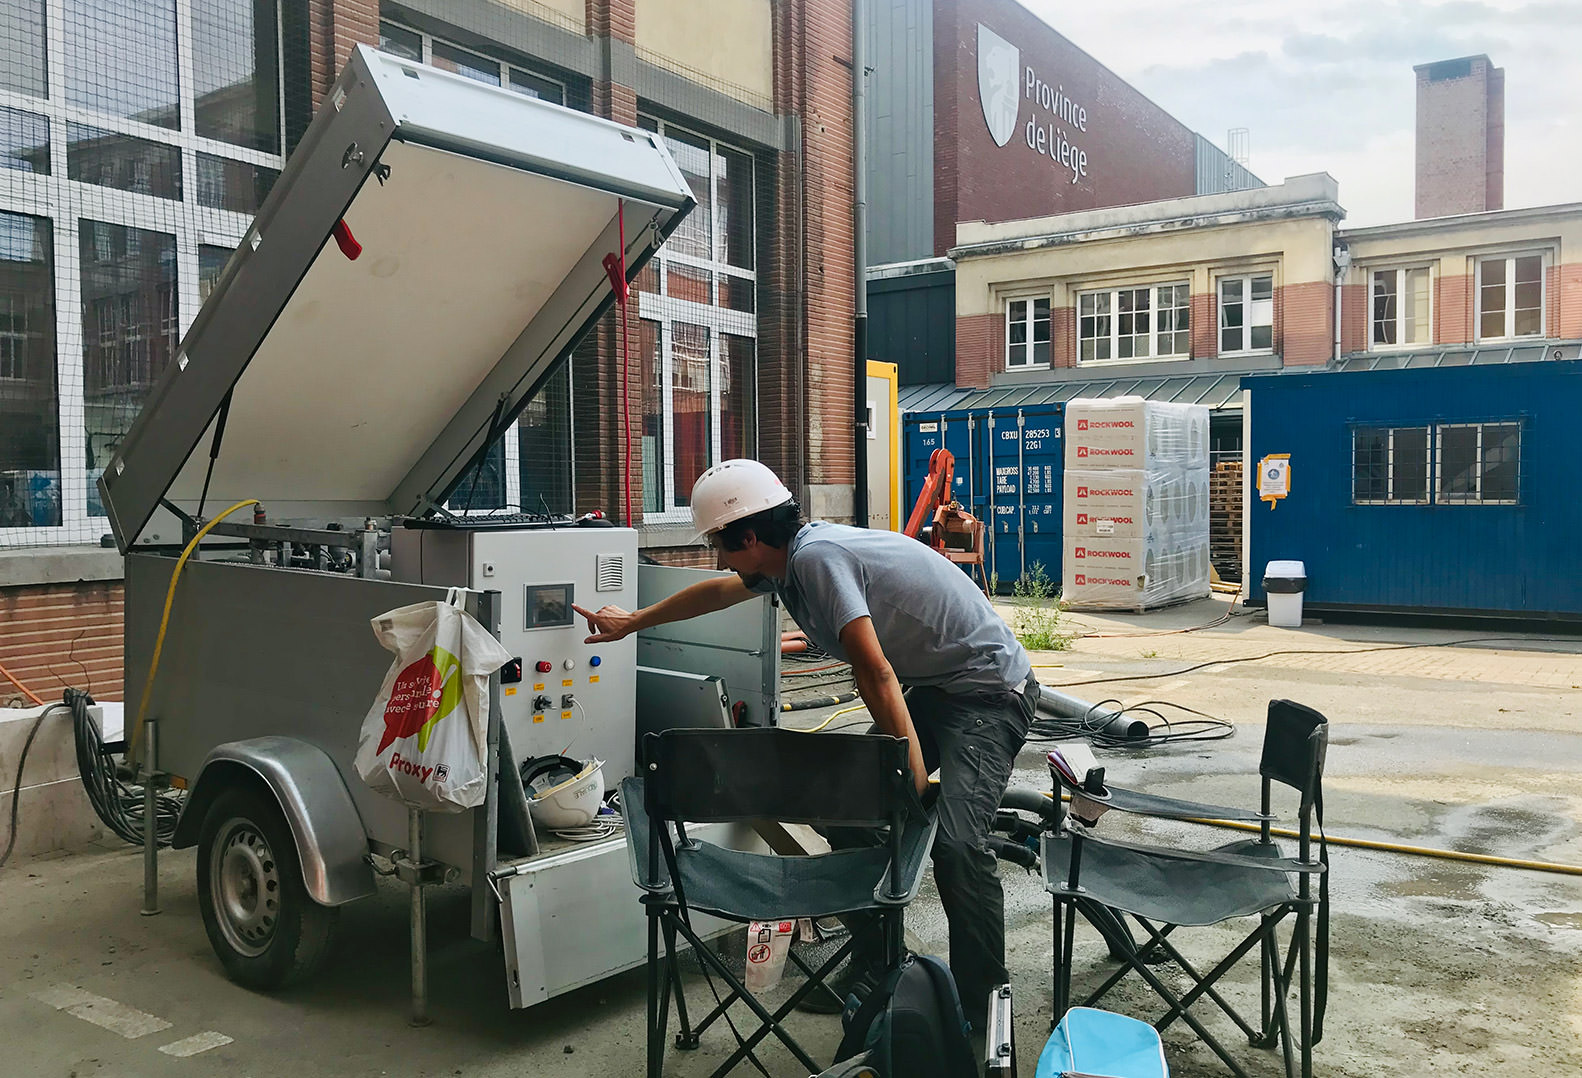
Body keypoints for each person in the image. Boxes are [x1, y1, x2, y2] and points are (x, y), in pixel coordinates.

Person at [572, 458, 1036, 1026]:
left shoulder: (816, 558)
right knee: (846, 810)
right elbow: (718, 592)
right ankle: (879, 961)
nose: (720, 557)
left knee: (958, 847)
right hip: (937, 685)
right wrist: (634, 621)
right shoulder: (780, 561)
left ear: (749, 536)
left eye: (721, 542)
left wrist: (909, 779)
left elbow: (876, 675)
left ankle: (984, 1007)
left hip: (988, 692)